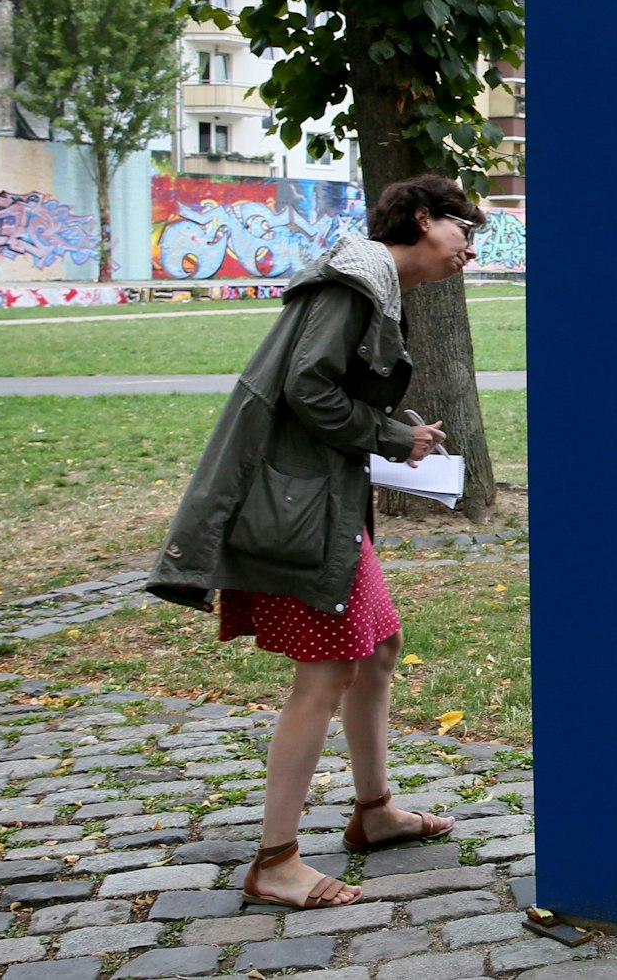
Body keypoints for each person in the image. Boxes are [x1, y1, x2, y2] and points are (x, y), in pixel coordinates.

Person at [148, 174, 483, 909]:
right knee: (325, 671)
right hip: (295, 506)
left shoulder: (372, 284)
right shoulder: (356, 283)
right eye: (466, 230)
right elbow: (309, 387)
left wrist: (394, 431)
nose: (470, 247)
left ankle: (375, 811)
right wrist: (394, 434)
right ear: (424, 219)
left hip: (319, 499)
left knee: (380, 645)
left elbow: (327, 388)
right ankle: (275, 859)